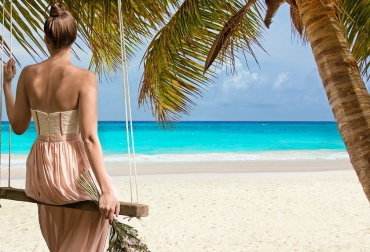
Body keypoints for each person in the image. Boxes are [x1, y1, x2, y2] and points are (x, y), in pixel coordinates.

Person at [2, 2, 119, 251]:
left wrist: (6, 86)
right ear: (74, 38)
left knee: (63, 237)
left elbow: (19, 126)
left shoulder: (27, 74)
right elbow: (88, 137)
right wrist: (107, 189)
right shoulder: (85, 78)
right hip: (70, 173)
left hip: (41, 175)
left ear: (46, 38)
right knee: (99, 216)